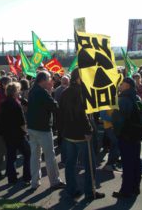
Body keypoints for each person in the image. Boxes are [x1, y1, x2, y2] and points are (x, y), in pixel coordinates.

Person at [59, 69, 105, 200]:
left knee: (70, 163)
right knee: (89, 164)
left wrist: (62, 131)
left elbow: (59, 113)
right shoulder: (79, 92)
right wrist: (88, 131)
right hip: (80, 135)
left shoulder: (65, 91)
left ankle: (71, 190)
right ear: (78, 77)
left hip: (68, 133)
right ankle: (90, 193)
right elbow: (81, 114)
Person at [27, 71, 65, 190]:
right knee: (50, 156)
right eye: (49, 78)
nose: (51, 81)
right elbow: (54, 106)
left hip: (32, 127)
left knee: (35, 156)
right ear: (43, 80)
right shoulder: (42, 92)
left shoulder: (32, 90)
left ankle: (34, 181)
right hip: (42, 128)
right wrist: (50, 92)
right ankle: (54, 181)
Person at [112, 77, 142, 198]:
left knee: (127, 164)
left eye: (122, 84)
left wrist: (117, 133)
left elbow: (117, 119)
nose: (120, 85)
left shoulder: (122, 99)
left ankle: (125, 191)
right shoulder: (137, 97)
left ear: (128, 86)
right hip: (137, 134)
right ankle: (136, 187)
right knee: (136, 162)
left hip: (126, 135)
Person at [0, 82, 31, 185]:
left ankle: (11, 179)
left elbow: (1, 119)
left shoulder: (4, 102)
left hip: (7, 134)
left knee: (11, 157)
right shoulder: (16, 104)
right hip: (18, 134)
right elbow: (21, 122)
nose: (19, 92)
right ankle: (26, 177)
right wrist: (26, 132)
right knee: (28, 154)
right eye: (18, 90)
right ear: (15, 92)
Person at [0, 76, 12, 178]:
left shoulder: (8, 94)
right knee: (0, 150)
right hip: (1, 126)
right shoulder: (0, 95)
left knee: (9, 150)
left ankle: (9, 170)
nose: (11, 84)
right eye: (9, 83)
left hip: (8, 126)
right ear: (3, 84)